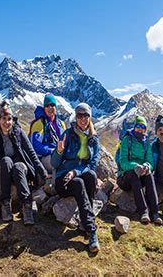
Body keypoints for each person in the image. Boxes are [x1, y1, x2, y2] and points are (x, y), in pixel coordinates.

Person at [51, 102, 100, 253]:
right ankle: (92, 232)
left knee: (91, 176)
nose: (83, 119)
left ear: (90, 118)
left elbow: (92, 164)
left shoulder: (93, 138)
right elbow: (54, 163)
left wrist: (75, 171)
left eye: (86, 115)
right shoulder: (68, 135)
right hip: (63, 179)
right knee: (78, 183)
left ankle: (86, 220)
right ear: (76, 117)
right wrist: (59, 151)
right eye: (80, 115)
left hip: (78, 174)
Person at [0, 101, 48, 225]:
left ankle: (27, 206)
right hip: (5, 171)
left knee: (18, 166)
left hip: (22, 169)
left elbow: (31, 152)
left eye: (9, 119)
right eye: (4, 118)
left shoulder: (18, 132)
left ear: (13, 120)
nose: (6, 122)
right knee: (6, 160)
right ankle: (6, 204)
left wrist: (43, 172)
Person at [115, 116, 163, 225]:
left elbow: (150, 162)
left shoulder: (147, 144)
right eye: (138, 126)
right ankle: (143, 212)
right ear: (134, 127)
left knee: (149, 175)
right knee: (133, 174)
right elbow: (123, 162)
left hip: (140, 176)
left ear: (145, 129)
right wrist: (135, 166)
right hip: (124, 178)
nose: (140, 129)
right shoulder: (127, 140)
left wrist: (147, 166)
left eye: (142, 127)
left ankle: (155, 213)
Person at [29, 93, 66, 194]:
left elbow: (65, 142)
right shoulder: (39, 124)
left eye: (52, 105)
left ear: (55, 107)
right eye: (47, 106)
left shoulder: (61, 124)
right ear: (44, 107)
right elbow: (35, 147)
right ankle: (55, 189)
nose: (50, 108)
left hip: (59, 153)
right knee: (56, 160)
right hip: (44, 158)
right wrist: (53, 150)